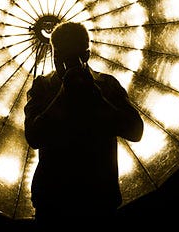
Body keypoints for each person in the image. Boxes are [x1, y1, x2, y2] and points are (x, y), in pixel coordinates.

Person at [24, 21, 144, 228]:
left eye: (69, 57)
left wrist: (96, 97)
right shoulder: (42, 86)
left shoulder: (107, 84)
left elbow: (135, 131)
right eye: (58, 57)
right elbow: (33, 137)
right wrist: (64, 93)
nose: (63, 64)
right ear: (53, 54)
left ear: (86, 55)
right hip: (53, 200)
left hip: (99, 198)